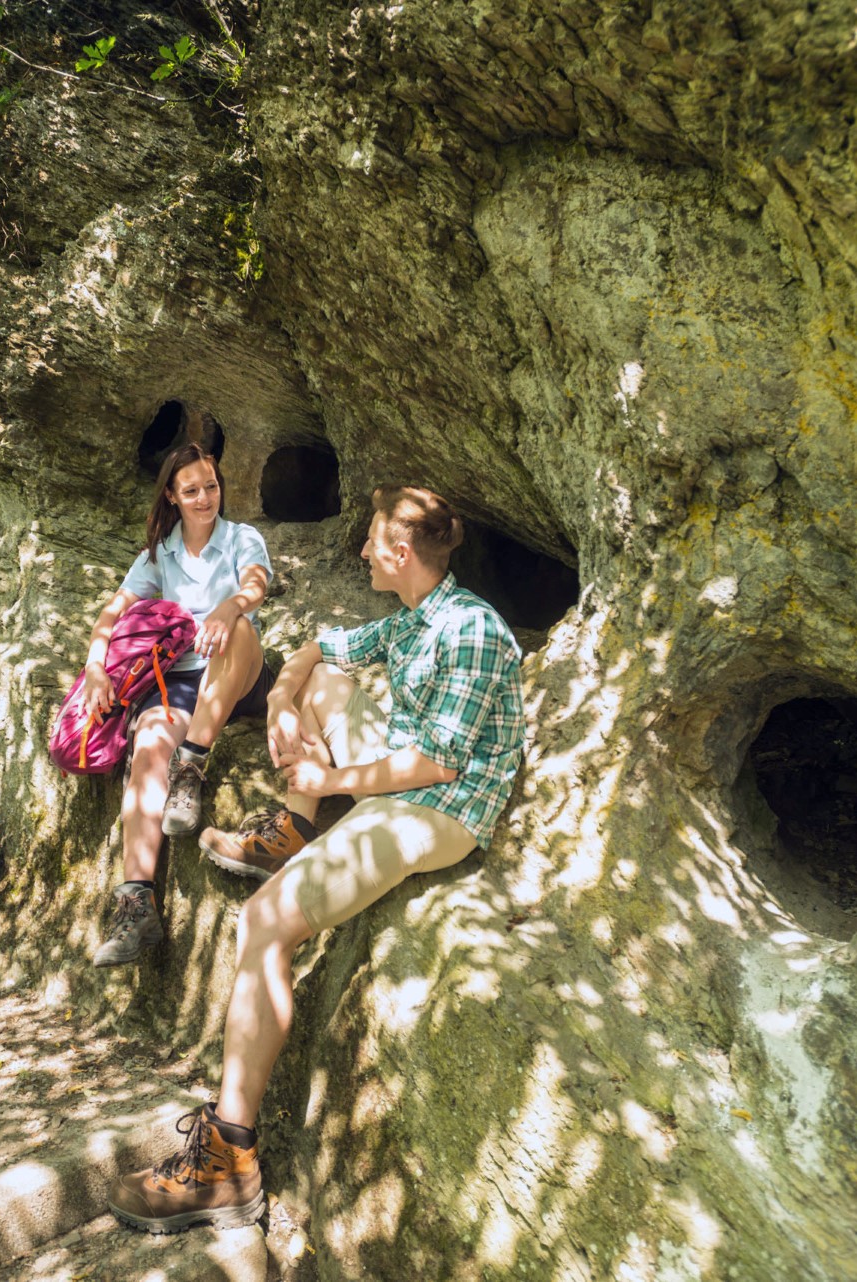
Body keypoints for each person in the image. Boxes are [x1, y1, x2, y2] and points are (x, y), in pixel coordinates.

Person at [106, 485, 526, 1234]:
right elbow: (319, 651)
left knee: (265, 920)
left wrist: (329, 781)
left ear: (400, 554)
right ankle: (296, 831)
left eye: (370, 542)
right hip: (400, 773)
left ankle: (229, 1163)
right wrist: (283, 704)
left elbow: (437, 765)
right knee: (326, 679)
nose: (360, 551)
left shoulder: (473, 631)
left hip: (439, 809)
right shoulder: (412, 619)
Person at [82, 441, 274, 969]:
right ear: (172, 494)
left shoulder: (241, 538)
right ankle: (136, 904)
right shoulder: (158, 554)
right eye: (191, 490)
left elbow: (256, 586)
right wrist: (97, 666)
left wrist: (227, 607)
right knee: (146, 750)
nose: (204, 497)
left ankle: (190, 767)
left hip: (238, 671)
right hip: (180, 685)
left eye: (211, 487)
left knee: (234, 629)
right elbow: (112, 614)